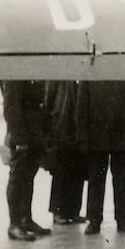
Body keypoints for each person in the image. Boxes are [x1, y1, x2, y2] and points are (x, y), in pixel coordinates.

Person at [76, 81, 125, 235]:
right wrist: (82, 137)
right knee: (96, 181)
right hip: (96, 136)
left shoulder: (123, 75)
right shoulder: (89, 75)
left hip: (121, 136)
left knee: (122, 180)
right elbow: (81, 108)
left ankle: (123, 218)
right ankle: (94, 220)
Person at [2, 80, 52, 240]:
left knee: (29, 176)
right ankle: (15, 224)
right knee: (17, 178)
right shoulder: (14, 73)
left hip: (34, 133)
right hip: (22, 134)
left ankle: (26, 219)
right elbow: (11, 108)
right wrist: (19, 139)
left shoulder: (30, 70)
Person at [46, 80, 88, 224]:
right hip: (61, 128)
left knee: (78, 170)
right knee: (61, 172)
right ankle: (57, 211)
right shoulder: (59, 75)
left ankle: (74, 210)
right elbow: (49, 101)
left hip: (78, 128)